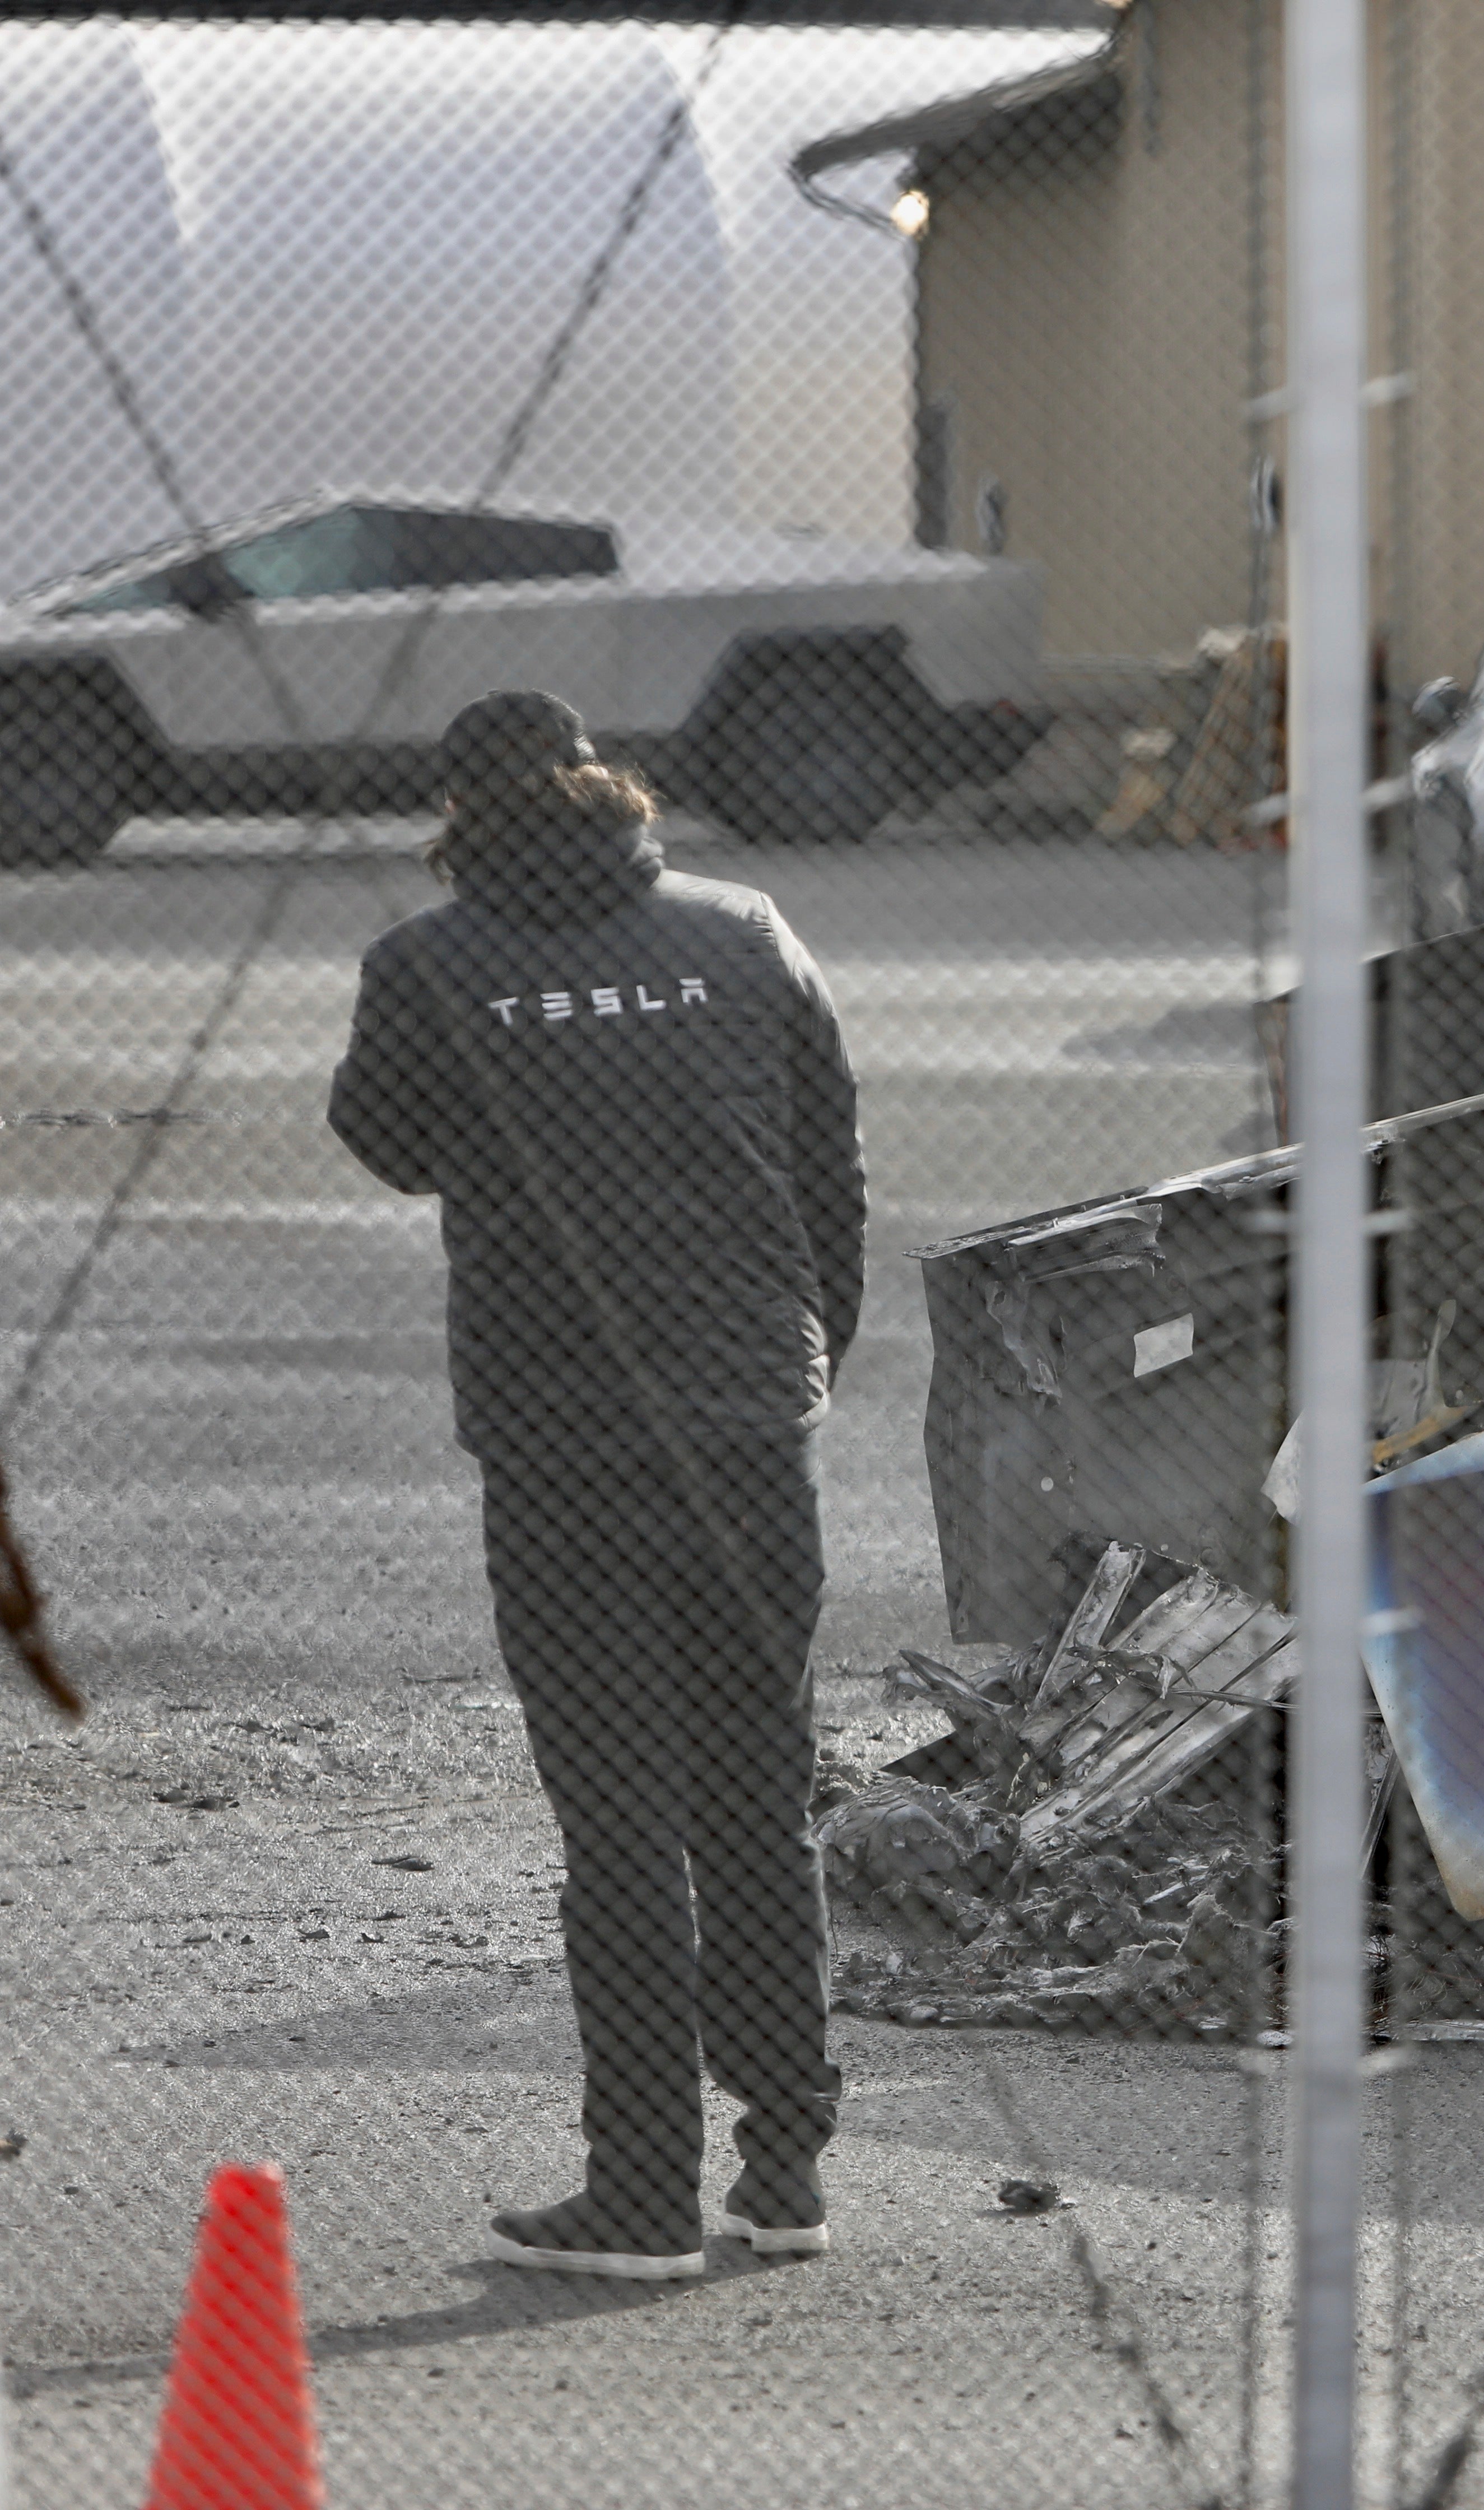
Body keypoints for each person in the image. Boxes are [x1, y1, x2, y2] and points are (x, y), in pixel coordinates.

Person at [329, 691, 864, 2279]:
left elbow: (386, 1141)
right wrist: (794, 1357)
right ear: (611, 789)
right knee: (760, 1800)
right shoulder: (748, 930)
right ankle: (787, 2170)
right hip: (750, 1433)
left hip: (564, 1448)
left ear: (457, 811)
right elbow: (830, 1165)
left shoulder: (429, 964)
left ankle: (640, 2191)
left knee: (619, 1823)